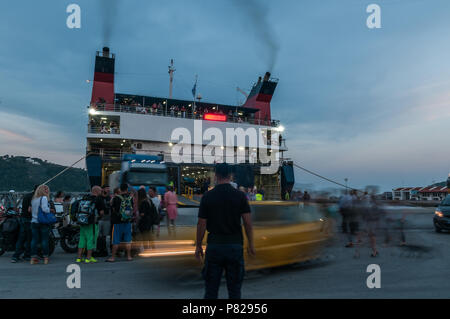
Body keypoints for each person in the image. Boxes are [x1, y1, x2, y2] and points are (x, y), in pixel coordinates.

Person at [195, 163, 256, 299]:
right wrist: (251, 244)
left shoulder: (208, 196)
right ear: (231, 176)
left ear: (216, 176)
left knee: (211, 291)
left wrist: (198, 245)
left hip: (214, 248)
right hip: (235, 247)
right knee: (234, 291)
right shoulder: (240, 196)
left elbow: (201, 224)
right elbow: (247, 223)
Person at [76, 186, 105, 263]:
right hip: (92, 223)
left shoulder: (85, 197)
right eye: (101, 191)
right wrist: (99, 217)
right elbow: (101, 212)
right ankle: (88, 258)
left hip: (82, 221)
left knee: (82, 239)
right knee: (90, 240)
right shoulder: (98, 199)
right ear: (97, 191)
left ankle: (79, 258)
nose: (101, 192)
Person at [107, 183, 134, 262]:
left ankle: (112, 257)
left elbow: (113, 208)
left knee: (116, 240)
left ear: (120, 189)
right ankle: (129, 256)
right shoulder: (130, 198)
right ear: (126, 189)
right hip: (128, 222)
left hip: (118, 222)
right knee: (128, 240)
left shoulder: (116, 198)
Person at [11, 185, 38, 263]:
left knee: (21, 238)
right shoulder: (34, 197)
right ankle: (27, 255)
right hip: (29, 219)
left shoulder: (27, 196)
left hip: (23, 218)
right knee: (29, 238)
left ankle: (15, 256)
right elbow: (31, 210)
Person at [30, 185, 53, 265]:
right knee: (44, 240)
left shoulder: (34, 199)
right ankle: (45, 258)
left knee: (34, 240)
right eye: (46, 189)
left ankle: (33, 258)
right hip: (42, 222)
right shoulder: (44, 198)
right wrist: (50, 210)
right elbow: (45, 209)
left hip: (34, 221)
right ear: (43, 190)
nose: (47, 191)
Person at [98, 185, 111, 254]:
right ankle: (98, 249)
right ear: (102, 189)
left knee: (105, 236)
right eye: (107, 188)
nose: (108, 190)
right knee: (99, 235)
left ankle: (104, 250)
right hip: (100, 219)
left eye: (109, 188)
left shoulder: (109, 197)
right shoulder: (99, 197)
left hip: (107, 218)